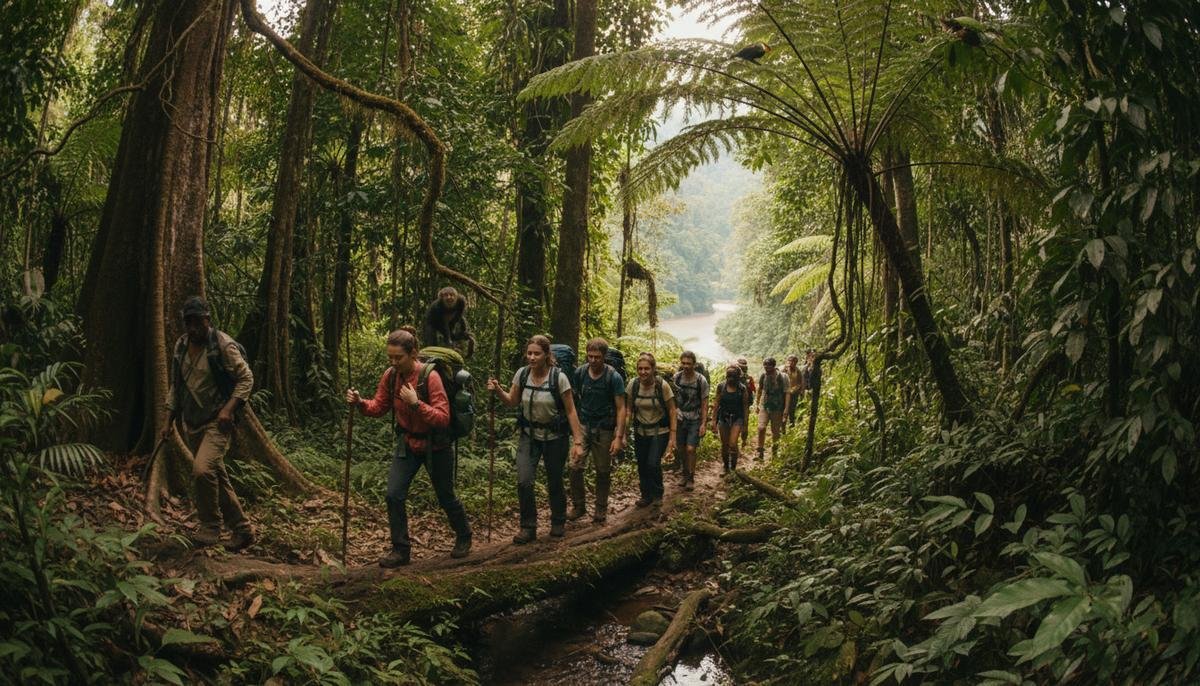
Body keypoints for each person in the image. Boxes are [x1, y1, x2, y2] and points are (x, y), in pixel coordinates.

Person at [346, 328, 472, 567]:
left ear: (413, 353)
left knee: (446, 496)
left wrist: (416, 405)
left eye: (398, 357)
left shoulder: (430, 377)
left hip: (437, 446)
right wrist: (360, 402)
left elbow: (443, 418)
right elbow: (379, 407)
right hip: (408, 444)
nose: (393, 362)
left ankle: (464, 535)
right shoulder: (391, 376)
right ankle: (401, 550)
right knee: (394, 495)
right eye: (390, 357)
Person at [163, 296, 255, 552]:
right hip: (192, 422)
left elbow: (246, 378)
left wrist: (228, 410)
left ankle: (210, 527)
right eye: (188, 323)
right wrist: (167, 420)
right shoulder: (181, 346)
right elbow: (175, 386)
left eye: (197, 323)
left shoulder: (223, 345)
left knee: (202, 471)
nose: (192, 328)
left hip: (218, 422)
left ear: (207, 321)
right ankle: (243, 530)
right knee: (216, 475)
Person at [488, 335, 586, 543]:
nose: (532, 357)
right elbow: (512, 401)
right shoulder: (522, 375)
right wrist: (498, 390)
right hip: (529, 436)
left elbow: (571, 411)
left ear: (546, 355)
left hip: (555, 438)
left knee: (555, 481)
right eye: (529, 353)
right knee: (524, 481)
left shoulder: (558, 378)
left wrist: (578, 442)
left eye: (537, 354)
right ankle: (528, 527)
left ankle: (558, 521)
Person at [569, 338, 626, 523]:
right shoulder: (580, 373)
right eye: (590, 356)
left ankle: (600, 508)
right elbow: (574, 402)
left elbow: (621, 408)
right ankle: (579, 506)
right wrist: (575, 431)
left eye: (597, 357)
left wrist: (618, 437)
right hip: (584, 425)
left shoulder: (613, 377)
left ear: (604, 357)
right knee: (575, 466)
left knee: (603, 470)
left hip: (605, 428)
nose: (593, 360)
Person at [625, 352, 677, 506]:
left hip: (660, 431)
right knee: (642, 464)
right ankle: (645, 495)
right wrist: (624, 432)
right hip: (641, 431)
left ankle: (658, 493)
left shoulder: (662, 386)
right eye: (640, 369)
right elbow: (628, 409)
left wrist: (672, 438)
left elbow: (672, 410)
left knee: (653, 463)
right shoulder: (633, 385)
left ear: (653, 369)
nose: (643, 372)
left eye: (646, 369)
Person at [672, 351, 709, 490]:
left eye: (689, 363)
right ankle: (684, 473)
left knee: (690, 448)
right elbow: (672, 399)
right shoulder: (676, 378)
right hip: (680, 418)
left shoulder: (701, 380)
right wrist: (675, 412)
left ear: (694, 364)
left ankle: (691, 477)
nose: (686, 366)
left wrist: (704, 423)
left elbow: (705, 403)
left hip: (695, 418)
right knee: (681, 448)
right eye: (683, 363)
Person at [713, 363, 749, 473]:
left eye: (733, 376)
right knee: (725, 444)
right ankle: (726, 467)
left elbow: (745, 408)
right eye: (728, 376)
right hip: (723, 418)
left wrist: (745, 426)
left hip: (737, 418)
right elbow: (716, 404)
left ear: (738, 377)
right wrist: (713, 421)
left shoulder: (742, 389)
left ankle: (733, 468)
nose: (730, 379)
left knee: (733, 444)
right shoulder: (721, 387)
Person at [422, 286, 475, 357]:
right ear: (441, 298)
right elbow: (443, 324)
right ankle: (433, 357)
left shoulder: (461, 301)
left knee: (456, 333)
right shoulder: (438, 306)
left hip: (451, 319)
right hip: (433, 322)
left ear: (456, 297)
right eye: (446, 295)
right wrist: (448, 340)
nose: (449, 297)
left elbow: (460, 316)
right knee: (433, 343)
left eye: (452, 295)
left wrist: (464, 331)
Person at [756, 357, 788, 460]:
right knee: (761, 428)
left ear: (773, 366)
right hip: (764, 406)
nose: (766, 367)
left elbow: (787, 393)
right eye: (765, 365)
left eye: (768, 365)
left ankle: (775, 452)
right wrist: (757, 403)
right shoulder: (763, 376)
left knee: (776, 432)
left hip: (778, 407)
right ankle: (760, 451)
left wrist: (786, 409)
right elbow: (760, 390)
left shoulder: (783, 377)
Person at [736, 358, 755, 449]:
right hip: (737, 404)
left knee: (745, 423)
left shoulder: (749, 378)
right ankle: (741, 441)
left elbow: (752, 391)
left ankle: (743, 441)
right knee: (744, 423)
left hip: (744, 405)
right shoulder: (733, 376)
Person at [784, 354, 805, 429]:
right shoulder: (784, 369)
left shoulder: (798, 371)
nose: (791, 362)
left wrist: (800, 392)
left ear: (796, 362)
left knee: (792, 410)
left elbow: (801, 382)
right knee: (783, 409)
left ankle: (791, 426)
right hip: (784, 393)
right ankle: (782, 427)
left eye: (793, 361)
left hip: (794, 394)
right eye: (789, 360)